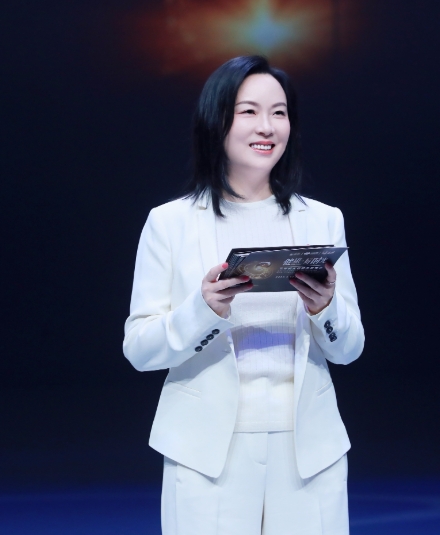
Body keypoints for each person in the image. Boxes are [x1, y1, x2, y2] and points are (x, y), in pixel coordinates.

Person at [123, 55, 364, 535]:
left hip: (308, 451)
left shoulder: (322, 220)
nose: (267, 126)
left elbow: (349, 348)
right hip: (207, 453)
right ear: (217, 121)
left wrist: (325, 308)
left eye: (279, 112)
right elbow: (140, 350)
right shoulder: (170, 223)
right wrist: (202, 310)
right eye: (249, 111)